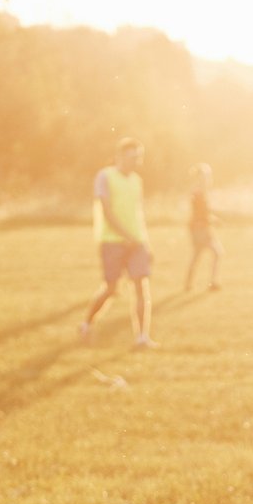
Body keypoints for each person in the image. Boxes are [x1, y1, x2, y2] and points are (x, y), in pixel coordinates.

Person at [80, 137, 155, 348]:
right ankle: (86, 323)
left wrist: (145, 242)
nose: (136, 161)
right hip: (112, 241)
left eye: (139, 157)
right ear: (120, 156)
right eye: (133, 157)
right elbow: (106, 210)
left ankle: (142, 337)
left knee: (141, 285)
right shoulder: (105, 176)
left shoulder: (137, 181)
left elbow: (138, 214)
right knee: (111, 289)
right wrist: (126, 236)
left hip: (137, 242)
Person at [182, 162, 222, 292]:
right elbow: (201, 212)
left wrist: (213, 219)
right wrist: (211, 219)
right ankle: (212, 282)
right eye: (206, 175)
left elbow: (204, 212)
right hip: (199, 228)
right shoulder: (198, 192)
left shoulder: (202, 192)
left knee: (198, 255)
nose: (208, 178)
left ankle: (190, 283)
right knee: (216, 253)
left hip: (202, 227)